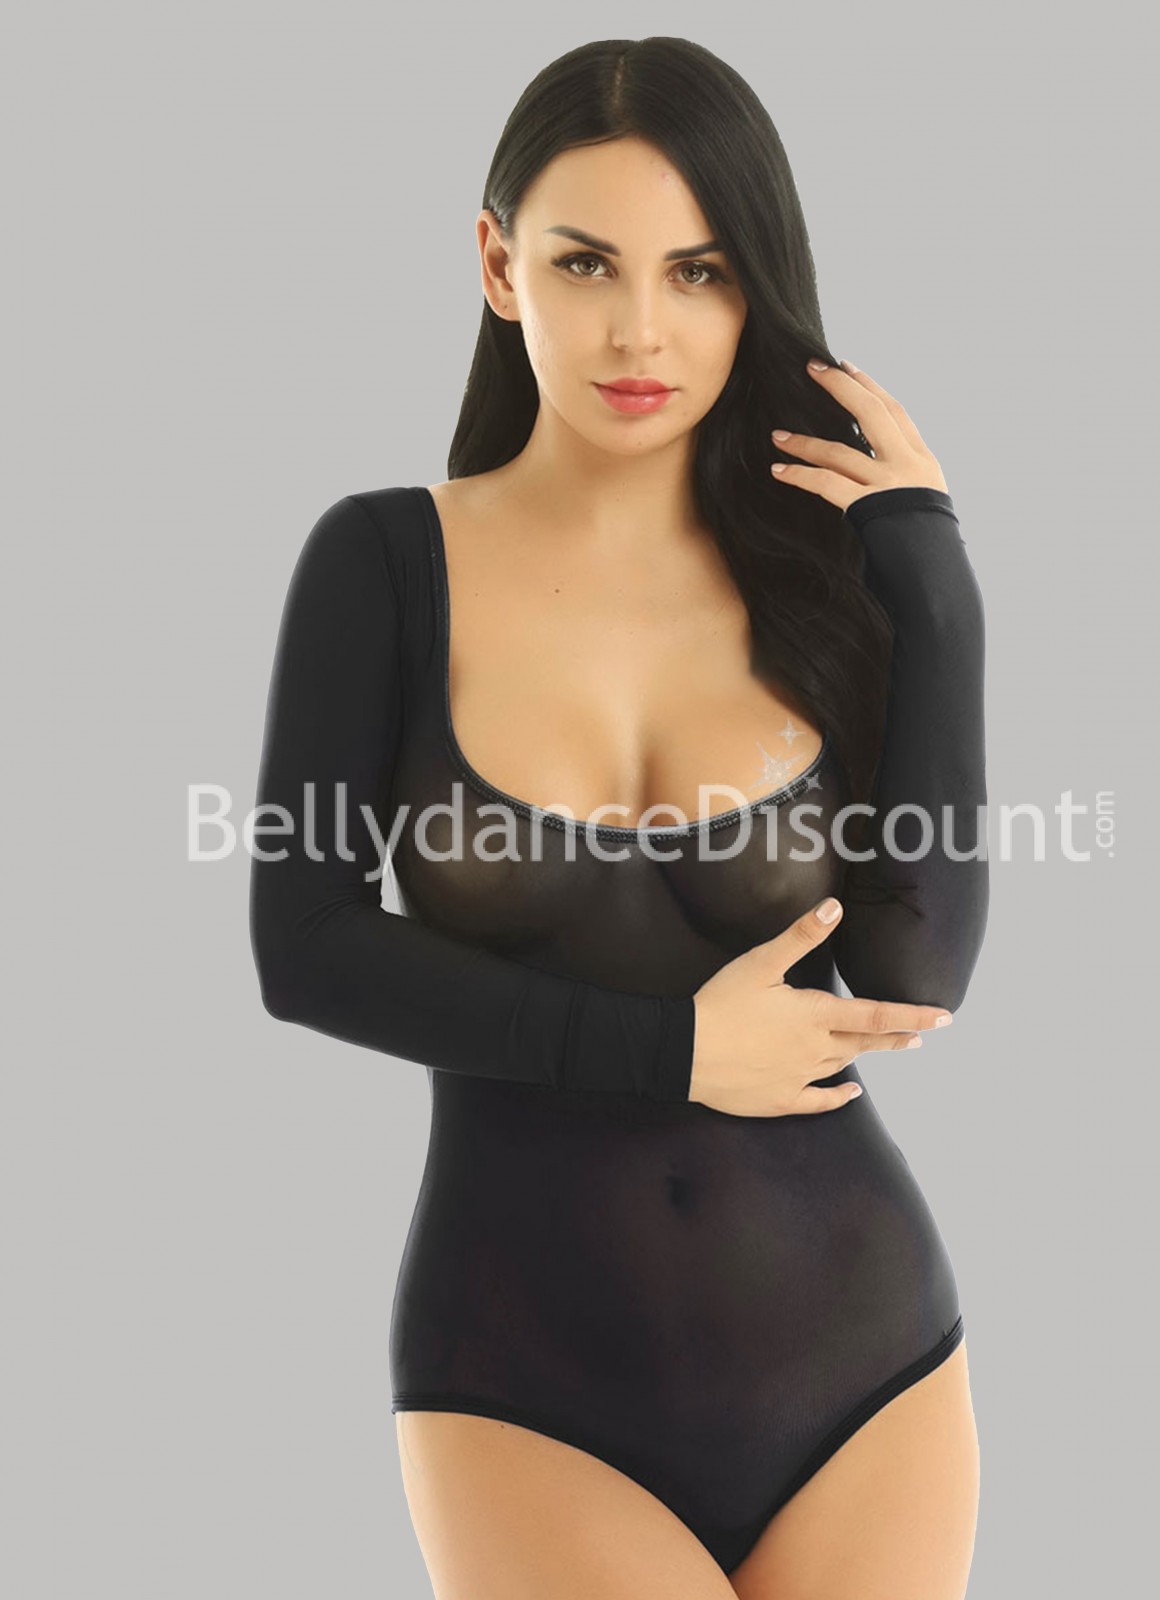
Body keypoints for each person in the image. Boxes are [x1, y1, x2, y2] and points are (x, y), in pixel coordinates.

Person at [250, 36, 989, 1600]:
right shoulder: (383, 565)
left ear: (752, 290)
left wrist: (932, 579)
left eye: (698, 272)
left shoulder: (830, 586)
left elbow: (912, 974)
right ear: (495, 263)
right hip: (522, 1372)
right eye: (585, 262)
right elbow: (303, 948)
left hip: (862, 1355)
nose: (639, 329)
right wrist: (669, 1052)